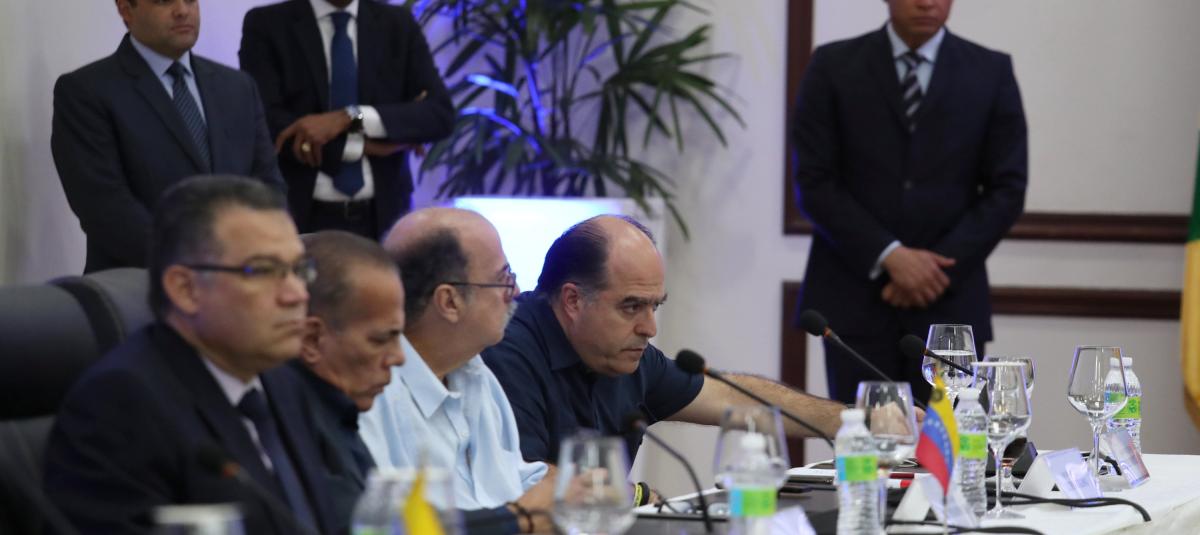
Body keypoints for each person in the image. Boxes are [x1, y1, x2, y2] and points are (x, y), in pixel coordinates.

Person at [43, 175, 334, 534]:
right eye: (262, 270)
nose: (297, 294)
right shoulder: (119, 407)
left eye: (300, 270)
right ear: (185, 289)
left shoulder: (282, 383)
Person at [791, 0, 1027, 403]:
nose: (927, 2)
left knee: (950, 439)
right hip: (856, 301)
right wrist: (890, 255)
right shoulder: (833, 65)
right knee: (866, 437)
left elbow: (1008, 189)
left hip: (950, 304)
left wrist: (933, 269)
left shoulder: (991, 71)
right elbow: (814, 181)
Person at [482, 215, 847, 465]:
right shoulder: (504, 350)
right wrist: (632, 495)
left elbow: (733, 398)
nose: (650, 328)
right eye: (632, 306)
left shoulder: (625, 355)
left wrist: (852, 423)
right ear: (573, 300)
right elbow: (521, 484)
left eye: (654, 306)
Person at [360, 208, 555, 534]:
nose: (516, 292)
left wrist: (565, 487)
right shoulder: (374, 394)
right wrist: (520, 518)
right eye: (503, 278)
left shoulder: (476, 373)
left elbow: (510, 479)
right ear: (449, 302)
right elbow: (390, 525)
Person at [52, 0, 283, 273]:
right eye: (164, 1)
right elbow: (104, 206)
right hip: (141, 284)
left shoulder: (238, 86)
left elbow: (269, 186)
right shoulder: (87, 92)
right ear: (126, 10)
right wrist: (205, 264)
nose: (182, 10)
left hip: (240, 281)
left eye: (190, 0)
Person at [239, 0, 455, 239]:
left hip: (384, 216)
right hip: (301, 215)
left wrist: (350, 117)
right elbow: (267, 123)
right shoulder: (268, 24)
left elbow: (439, 114)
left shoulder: (397, 23)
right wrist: (365, 145)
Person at [294, 230, 406, 534]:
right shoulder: (289, 423)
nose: (399, 358)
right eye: (380, 339)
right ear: (312, 339)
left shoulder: (338, 410)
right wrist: (514, 517)